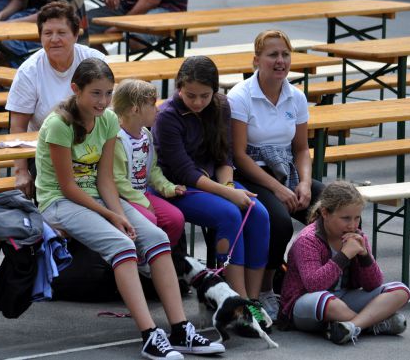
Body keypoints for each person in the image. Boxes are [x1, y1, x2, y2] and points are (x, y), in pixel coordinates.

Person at [35, 57, 225, 359]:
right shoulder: (59, 125)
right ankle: (150, 334)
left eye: (108, 93)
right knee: (123, 245)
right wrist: (112, 216)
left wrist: (120, 214)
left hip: (98, 197)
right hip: (59, 202)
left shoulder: (109, 120)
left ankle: (180, 330)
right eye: (95, 93)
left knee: (158, 239)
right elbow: (68, 187)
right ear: (76, 89)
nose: (103, 101)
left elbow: (106, 179)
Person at [152, 55, 271, 333]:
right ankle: (238, 303)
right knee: (229, 213)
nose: (197, 102)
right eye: (190, 95)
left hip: (213, 181)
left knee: (258, 213)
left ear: (214, 91)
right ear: (179, 86)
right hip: (177, 186)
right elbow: (184, 172)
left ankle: (252, 299)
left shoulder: (220, 105)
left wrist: (229, 187)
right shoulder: (167, 115)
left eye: (204, 96)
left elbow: (224, 155)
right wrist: (227, 195)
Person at [227, 29, 325, 320]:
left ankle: (321, 276)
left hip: (287, 171)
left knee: (333, 206)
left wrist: (305, 183)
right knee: (278, 222)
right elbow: (240, 156)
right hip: (252, 174)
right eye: (273, 55)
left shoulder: (296, 96)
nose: (280, 60)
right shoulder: (240, 96)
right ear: (257, 60)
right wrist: (279, 189)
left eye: (285, 54)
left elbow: (301, 150)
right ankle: (268, 288)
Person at [279, 180, 410, 345]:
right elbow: (314, 285)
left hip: (344, 299)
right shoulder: (308, 240)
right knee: (328, 302)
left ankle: (351, 326)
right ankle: (372, 323)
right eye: (346, 218)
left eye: (357, 218)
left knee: (401, 290)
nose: (353, 225)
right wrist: (343, 255)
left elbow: (374, 284)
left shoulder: (357, 236)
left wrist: (364, 256)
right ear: (325, 213)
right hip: (306, 304)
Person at [5, 1, 105, 200]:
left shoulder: (94, 61)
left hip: (95, 149)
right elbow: (17, 128)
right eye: (47, 33)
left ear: (76, 35)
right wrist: (21, 172)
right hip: (48, 153)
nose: (54, 39)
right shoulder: (29, 71)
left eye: (61, 32)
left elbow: (111, 112)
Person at [112, 79, 186, 247]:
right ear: (135, 110)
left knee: (176, 219)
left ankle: (162, 260)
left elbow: (151, 169)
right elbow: (117, 181)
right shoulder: (117, 139)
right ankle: (142, 263)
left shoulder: (146, 134)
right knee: (149, 219)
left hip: (142, 195)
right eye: (152, 105)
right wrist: (143, 203)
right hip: (123, 199)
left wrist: (168, 187)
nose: (157, 109)